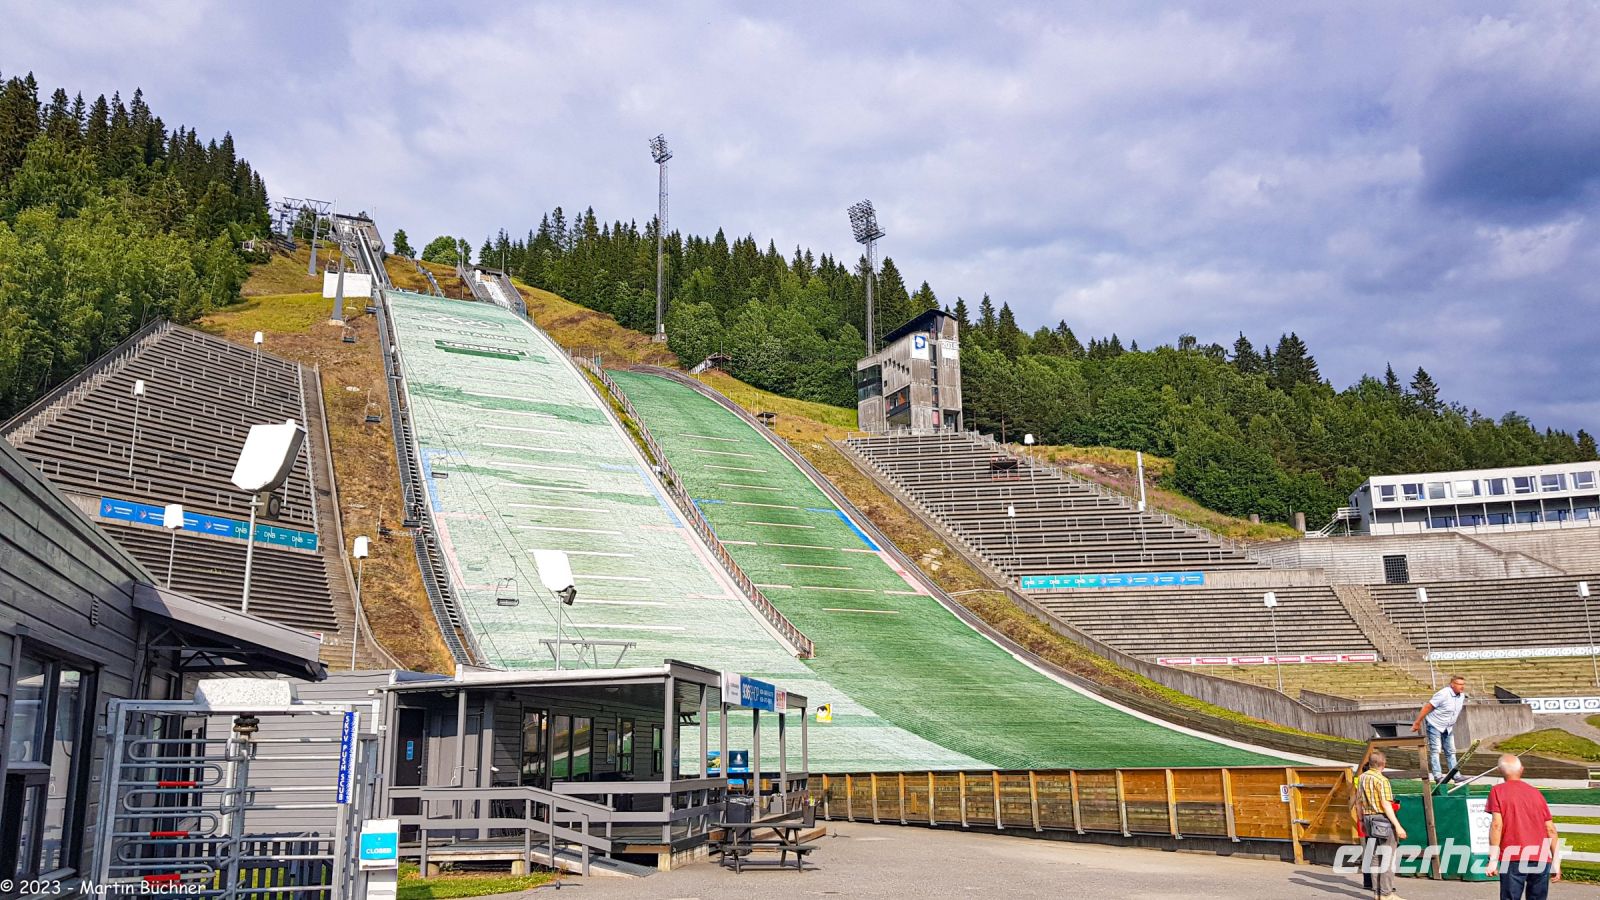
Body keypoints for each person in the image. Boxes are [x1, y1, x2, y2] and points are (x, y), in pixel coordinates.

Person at [1487, 753, 1560, 899]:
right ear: (1521, 770)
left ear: (1500, 772)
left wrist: (1493, 860)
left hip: (1513, 855)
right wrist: (1556, 862)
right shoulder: (1536, 793)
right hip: (1540, 856)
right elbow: (1551, 829)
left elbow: (1496, 825)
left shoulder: (1498, 791)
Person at [1354, 749, 1408, 900]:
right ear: (1383, 764)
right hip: (1382, 819)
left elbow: (1358, 801)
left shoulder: (1362, 777)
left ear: (1370, 763)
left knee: (1376, 856)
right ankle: (1386, 893)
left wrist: (1360, 820)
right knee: (1388, 857)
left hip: (1367, 818)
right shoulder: (1382, 780)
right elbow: (1386, 804)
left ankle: (1377, 893)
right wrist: (1397, 826)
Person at [1411, 675, 1468, 782]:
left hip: (1448, 727)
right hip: (1435, 724)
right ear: (1452, 685)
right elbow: (1428, 706)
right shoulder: (1443, 694)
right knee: (1436, 750)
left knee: (1451, 751)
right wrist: (1417, 722)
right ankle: (1438, 776)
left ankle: (1456, 775)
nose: (1462, 687)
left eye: (1463, 684)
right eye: (1459, 684)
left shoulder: (1461, 696)